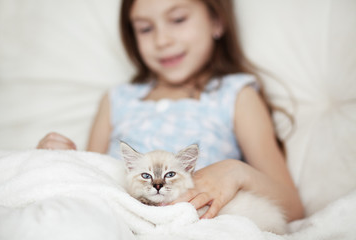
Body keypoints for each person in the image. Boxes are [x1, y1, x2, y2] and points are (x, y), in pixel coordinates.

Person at [37, 0, 304, 221]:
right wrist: (59, 162)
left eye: (177, 19)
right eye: (145, 28)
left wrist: (236, 172)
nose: (162, 40)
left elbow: (292, 207)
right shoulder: (118, 99)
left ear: (216, 20)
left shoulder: (235, 96)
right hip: (115, 219)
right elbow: (92, 176)